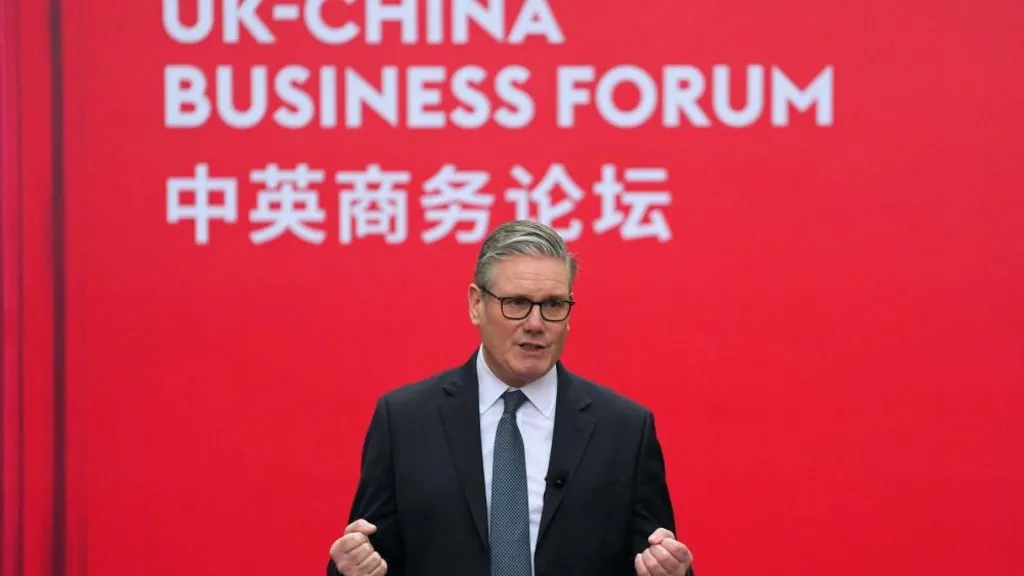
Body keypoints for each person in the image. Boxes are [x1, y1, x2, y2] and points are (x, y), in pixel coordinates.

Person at [327, 220, 694, 576]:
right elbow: (371, 555)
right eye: (516, 303)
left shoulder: (624, 430)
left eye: (553, 305)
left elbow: (653, 557)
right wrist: (350, 570)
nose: (535, 323)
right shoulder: (405, 422)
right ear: (476, 304)